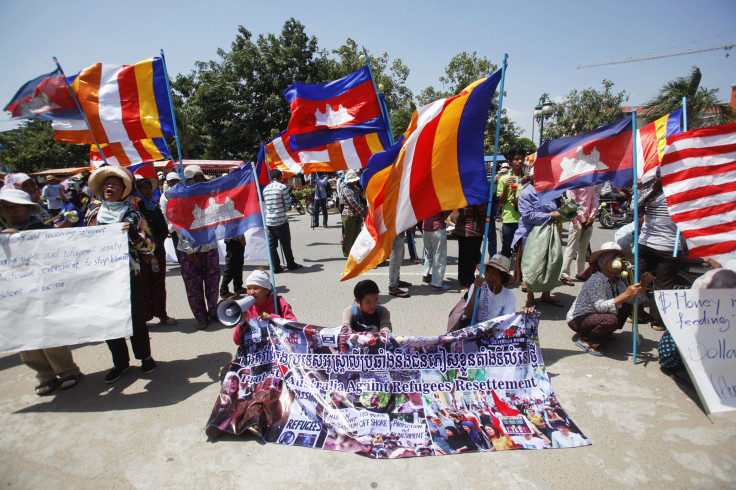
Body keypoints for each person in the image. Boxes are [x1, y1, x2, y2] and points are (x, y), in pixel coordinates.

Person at [0, 188, 82, 395]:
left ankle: (67, 370)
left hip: (41, 291)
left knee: (49, 332)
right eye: (7, 208)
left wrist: (21, 240)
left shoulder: (42, 231)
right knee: (24, 336)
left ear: (28, 209)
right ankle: (44, 374)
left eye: (17, 207)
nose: (12, 212)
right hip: (14, 295)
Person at [85, 166, 157, 383]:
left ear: (124, 190)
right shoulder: (93, 214)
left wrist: (134, 235)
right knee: (109, 319)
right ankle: (120, 362)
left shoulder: (133, 214)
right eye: (107, 183)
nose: (110, 187)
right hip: (101, 276)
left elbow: (150, 246)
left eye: (115, 184)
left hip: (127, 274)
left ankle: (145, 357)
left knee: (135, 318)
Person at [566, 242, 654, 356]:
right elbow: (601, 307)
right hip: (579, 319)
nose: (619, 263)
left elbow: (635, 301)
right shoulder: (597, 280)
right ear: (604, 261)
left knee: (626, 306)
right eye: (614, 259)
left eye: (620, 260)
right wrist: (626, 295)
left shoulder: (618, 281)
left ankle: (602, 332)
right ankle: (587, 339)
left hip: (597, 315)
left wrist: (643, 286)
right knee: (610, 320)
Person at [638, 172, 686, 331]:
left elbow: (633, 207)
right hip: (669, 247)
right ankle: (657, 322)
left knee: (638, 280)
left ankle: (634, 313)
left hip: (645, 243)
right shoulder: (681, 192)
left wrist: (641, 189)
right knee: (663, 285)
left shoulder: (650, 192)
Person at [177, 165, 221, 329]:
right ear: (188, 181)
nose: (200, 181)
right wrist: (189, 251)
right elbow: (180, 227)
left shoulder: (210, 199)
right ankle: (201, 317)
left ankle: (213, 311)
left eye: (201, 177)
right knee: (194, 286)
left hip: (209, 247)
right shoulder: (181, 201)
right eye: (196, 178)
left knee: (213, 282)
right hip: (190, 251)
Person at [512, 175, 563, 307]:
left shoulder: (550, 190)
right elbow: (528, 215)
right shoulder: (526, 192)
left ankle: (546, 295)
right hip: (530, 235)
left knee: (550, 264)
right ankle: (530, 298)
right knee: (532, 266)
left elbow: (557, 206)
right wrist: (550, 215)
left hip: (549, 233)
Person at [134, 175, 177, 326]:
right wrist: (145, 248)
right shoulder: (135, 209)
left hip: (157, 252)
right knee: (143, 285)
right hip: (141, 254)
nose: (147, 190)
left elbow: (163, 230)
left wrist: (155, 245)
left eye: (148, 187)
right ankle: (144, 317)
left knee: (159, 284)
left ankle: (162, 314)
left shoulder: (155, 206)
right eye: (143, 188)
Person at [232, 270, 297, 345]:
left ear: (266, 290)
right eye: (249, 288)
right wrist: (241, 322)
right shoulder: (246, 306)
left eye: (256, 288)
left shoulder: (278, 302)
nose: (251, 292)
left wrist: (272, 317)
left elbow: (294, 326)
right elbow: (237, 341)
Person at [263, 169, 302, 273]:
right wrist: (285, 209)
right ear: (280, 177)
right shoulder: (282, 187)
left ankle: (276, 267)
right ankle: (291, 264)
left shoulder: (266, 189)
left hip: (269, 221)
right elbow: (288, 204)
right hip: (280, 219)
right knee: (285, 243)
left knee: (272, 245)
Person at [559, 185, 598, 285]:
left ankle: (580, 272)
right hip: (576, 221)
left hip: (588, 221)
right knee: (571, 247)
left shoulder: (590, 185)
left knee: (583, 249)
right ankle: (564, 273)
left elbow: (594, 202)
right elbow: (572, 203)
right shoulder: (573, 184)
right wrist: (583, 219)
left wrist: (591, 217)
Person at [463, 254, 517, 324]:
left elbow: (508, 322)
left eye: (494, 273)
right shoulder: (477, 287)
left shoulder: (509, 296)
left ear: (502, 277)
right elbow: (468, 315)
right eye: (488, 271)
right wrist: (475, 290)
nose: (488, 275)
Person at [496, 149, 525, 258]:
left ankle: (520, 274)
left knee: (523, 250)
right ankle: (504, 273)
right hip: (509, 219)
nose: (520, 161)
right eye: (516, 159)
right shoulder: (504, 178)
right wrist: (505, 187)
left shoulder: (527, 177)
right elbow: (501, 201)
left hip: (525, 218)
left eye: (522, 158)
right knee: (506, 250)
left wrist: (521, 200)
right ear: (510, 162)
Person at [452, 203, 487, 289]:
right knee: (471, 257)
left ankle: (462, 278)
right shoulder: (475, 196)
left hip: (462, 228)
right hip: (473, 230)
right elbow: (483, 211)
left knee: (463, 255)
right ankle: (468, 281)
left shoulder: (462, 195)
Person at [422, 211, 451, 291]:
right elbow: (447, 210)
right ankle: (436, 284)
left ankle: (426, 274)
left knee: (429, 254)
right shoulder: (440, 198)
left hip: (426, 227)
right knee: (439, 257)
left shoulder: (424, 198)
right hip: (437, 228)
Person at [340, 171, 365, 257]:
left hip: (357, 215)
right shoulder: (345, 189)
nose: (355, 182)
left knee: (357, 235)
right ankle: (347, 253)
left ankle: (355, 252)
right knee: (349, 236)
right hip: (349, 215)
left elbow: (359, 200)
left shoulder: (356, 189)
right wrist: (362, 211)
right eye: (353, 180)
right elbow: (352, 203)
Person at [220, 234, 247, 299]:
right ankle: (224, 291)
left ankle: (238, 287)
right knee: (231, 266)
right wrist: (240, 237)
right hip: (232, 239)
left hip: (237, 239)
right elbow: (232, 225)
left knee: (239, 264)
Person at [388, 232, 412, 298]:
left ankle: (396, 281)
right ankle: (392, 287)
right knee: (395, 261)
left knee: (399, 259)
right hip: (394, 232)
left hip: (398, 232)